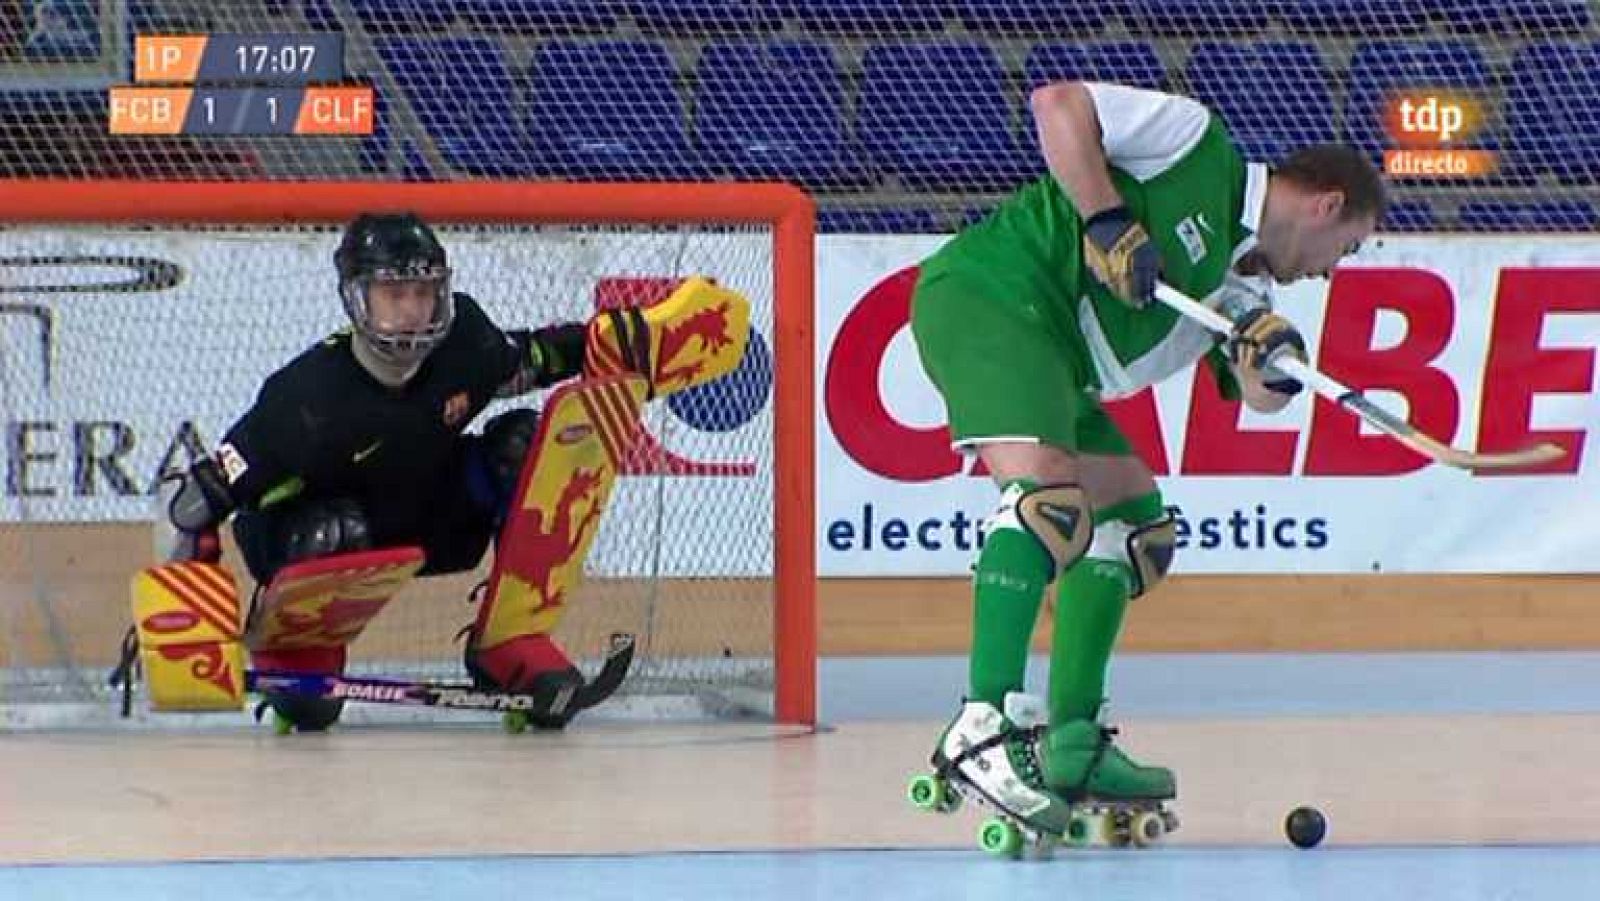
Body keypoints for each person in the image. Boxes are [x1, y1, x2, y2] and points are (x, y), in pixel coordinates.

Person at [911, 81, 1385, 836]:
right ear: (1326, 205)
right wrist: (1106, 218)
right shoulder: (1196, 143)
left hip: (1057, 359)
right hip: (994, 295)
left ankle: (1073, 743)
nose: (1331, 270)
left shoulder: (1239, 287)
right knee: (1048, 497)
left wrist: (1277, 359)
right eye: (1348, 247)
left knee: (1134, 526)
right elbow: (1057, 105)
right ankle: (980, 724)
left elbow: (1256, 393)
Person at [156, 211, 625, 731]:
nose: (411, 310)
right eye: (393, 294)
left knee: (529, 446)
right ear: (357, 298)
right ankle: (300, 657)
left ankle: (511, 641)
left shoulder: (466, 340)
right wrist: (191, 634)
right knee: (332, 529)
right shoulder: (304, 400)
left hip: (422, 511)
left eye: (423, 292)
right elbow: (193, 505)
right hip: (317, 534)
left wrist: (621, 343)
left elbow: (532, 358)